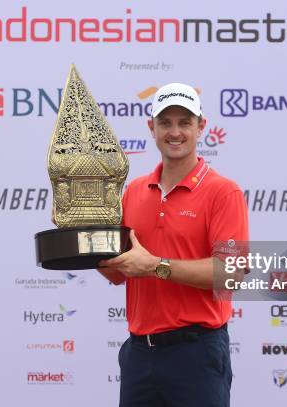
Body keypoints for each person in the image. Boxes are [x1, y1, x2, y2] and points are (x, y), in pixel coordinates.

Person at [98, 83, 249, 407]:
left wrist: (154, 266)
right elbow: (116, 274)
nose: (175, 132)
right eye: (166, 123)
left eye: (185, 122)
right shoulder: (134, 192)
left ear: (201, 127)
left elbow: (230, 274)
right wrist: (84, 239)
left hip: (197, 353)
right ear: (151, 128)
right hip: (140, 354)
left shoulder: (223, 192)